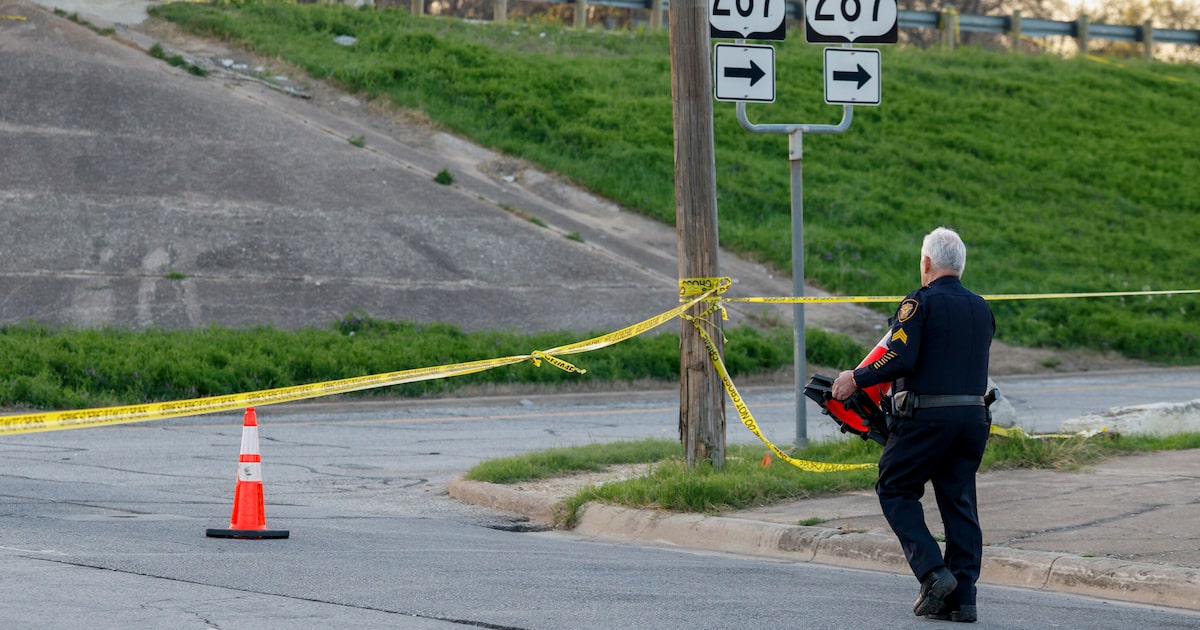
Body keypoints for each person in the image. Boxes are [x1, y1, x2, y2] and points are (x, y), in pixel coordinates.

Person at [831, 226, 995, 624]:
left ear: (926, 264)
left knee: (895, 487)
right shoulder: (981, 307)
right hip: (973, 419)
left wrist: (856, 377)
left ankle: (934, 574)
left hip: (927, 418)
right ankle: (964, 598)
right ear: (961, 266)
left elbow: (900, 357)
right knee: (959, 501)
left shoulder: (919, 304)